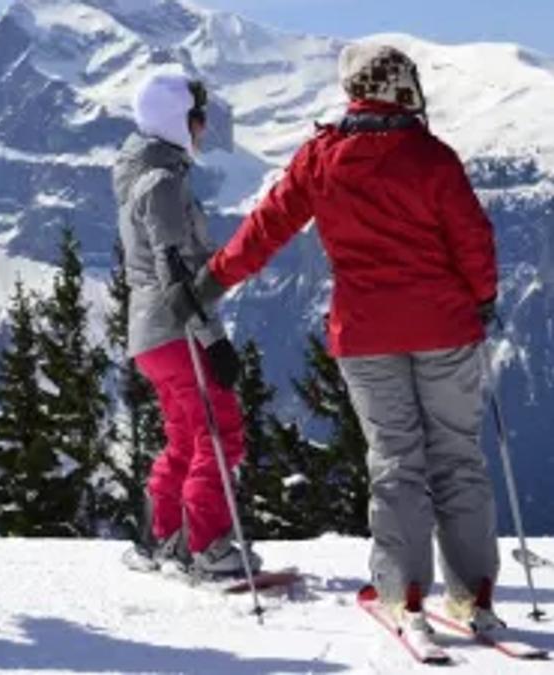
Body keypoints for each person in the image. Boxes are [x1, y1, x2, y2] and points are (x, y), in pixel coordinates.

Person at [170, 42, 502, 631]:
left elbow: (267, 226)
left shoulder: (321, 158)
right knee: (457, 457)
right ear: (403, 89)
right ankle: (473, 595)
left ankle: (404, 594)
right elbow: (472, 239)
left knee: (396, 462)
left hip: (366, 335)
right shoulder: (433, 157)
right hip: (446, 329)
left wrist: (212, 281)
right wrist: (483, 298)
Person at [113, 71, 261, 579]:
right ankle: (208, 546)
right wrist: (213, 340)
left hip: (150, 335)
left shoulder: (144, 177)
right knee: (221, 432)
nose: (204, 127)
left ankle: (163, 538)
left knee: (186, 437)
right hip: (177, 330)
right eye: (197, 117)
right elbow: (173, 268)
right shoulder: (162, 182)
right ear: (176, 120)